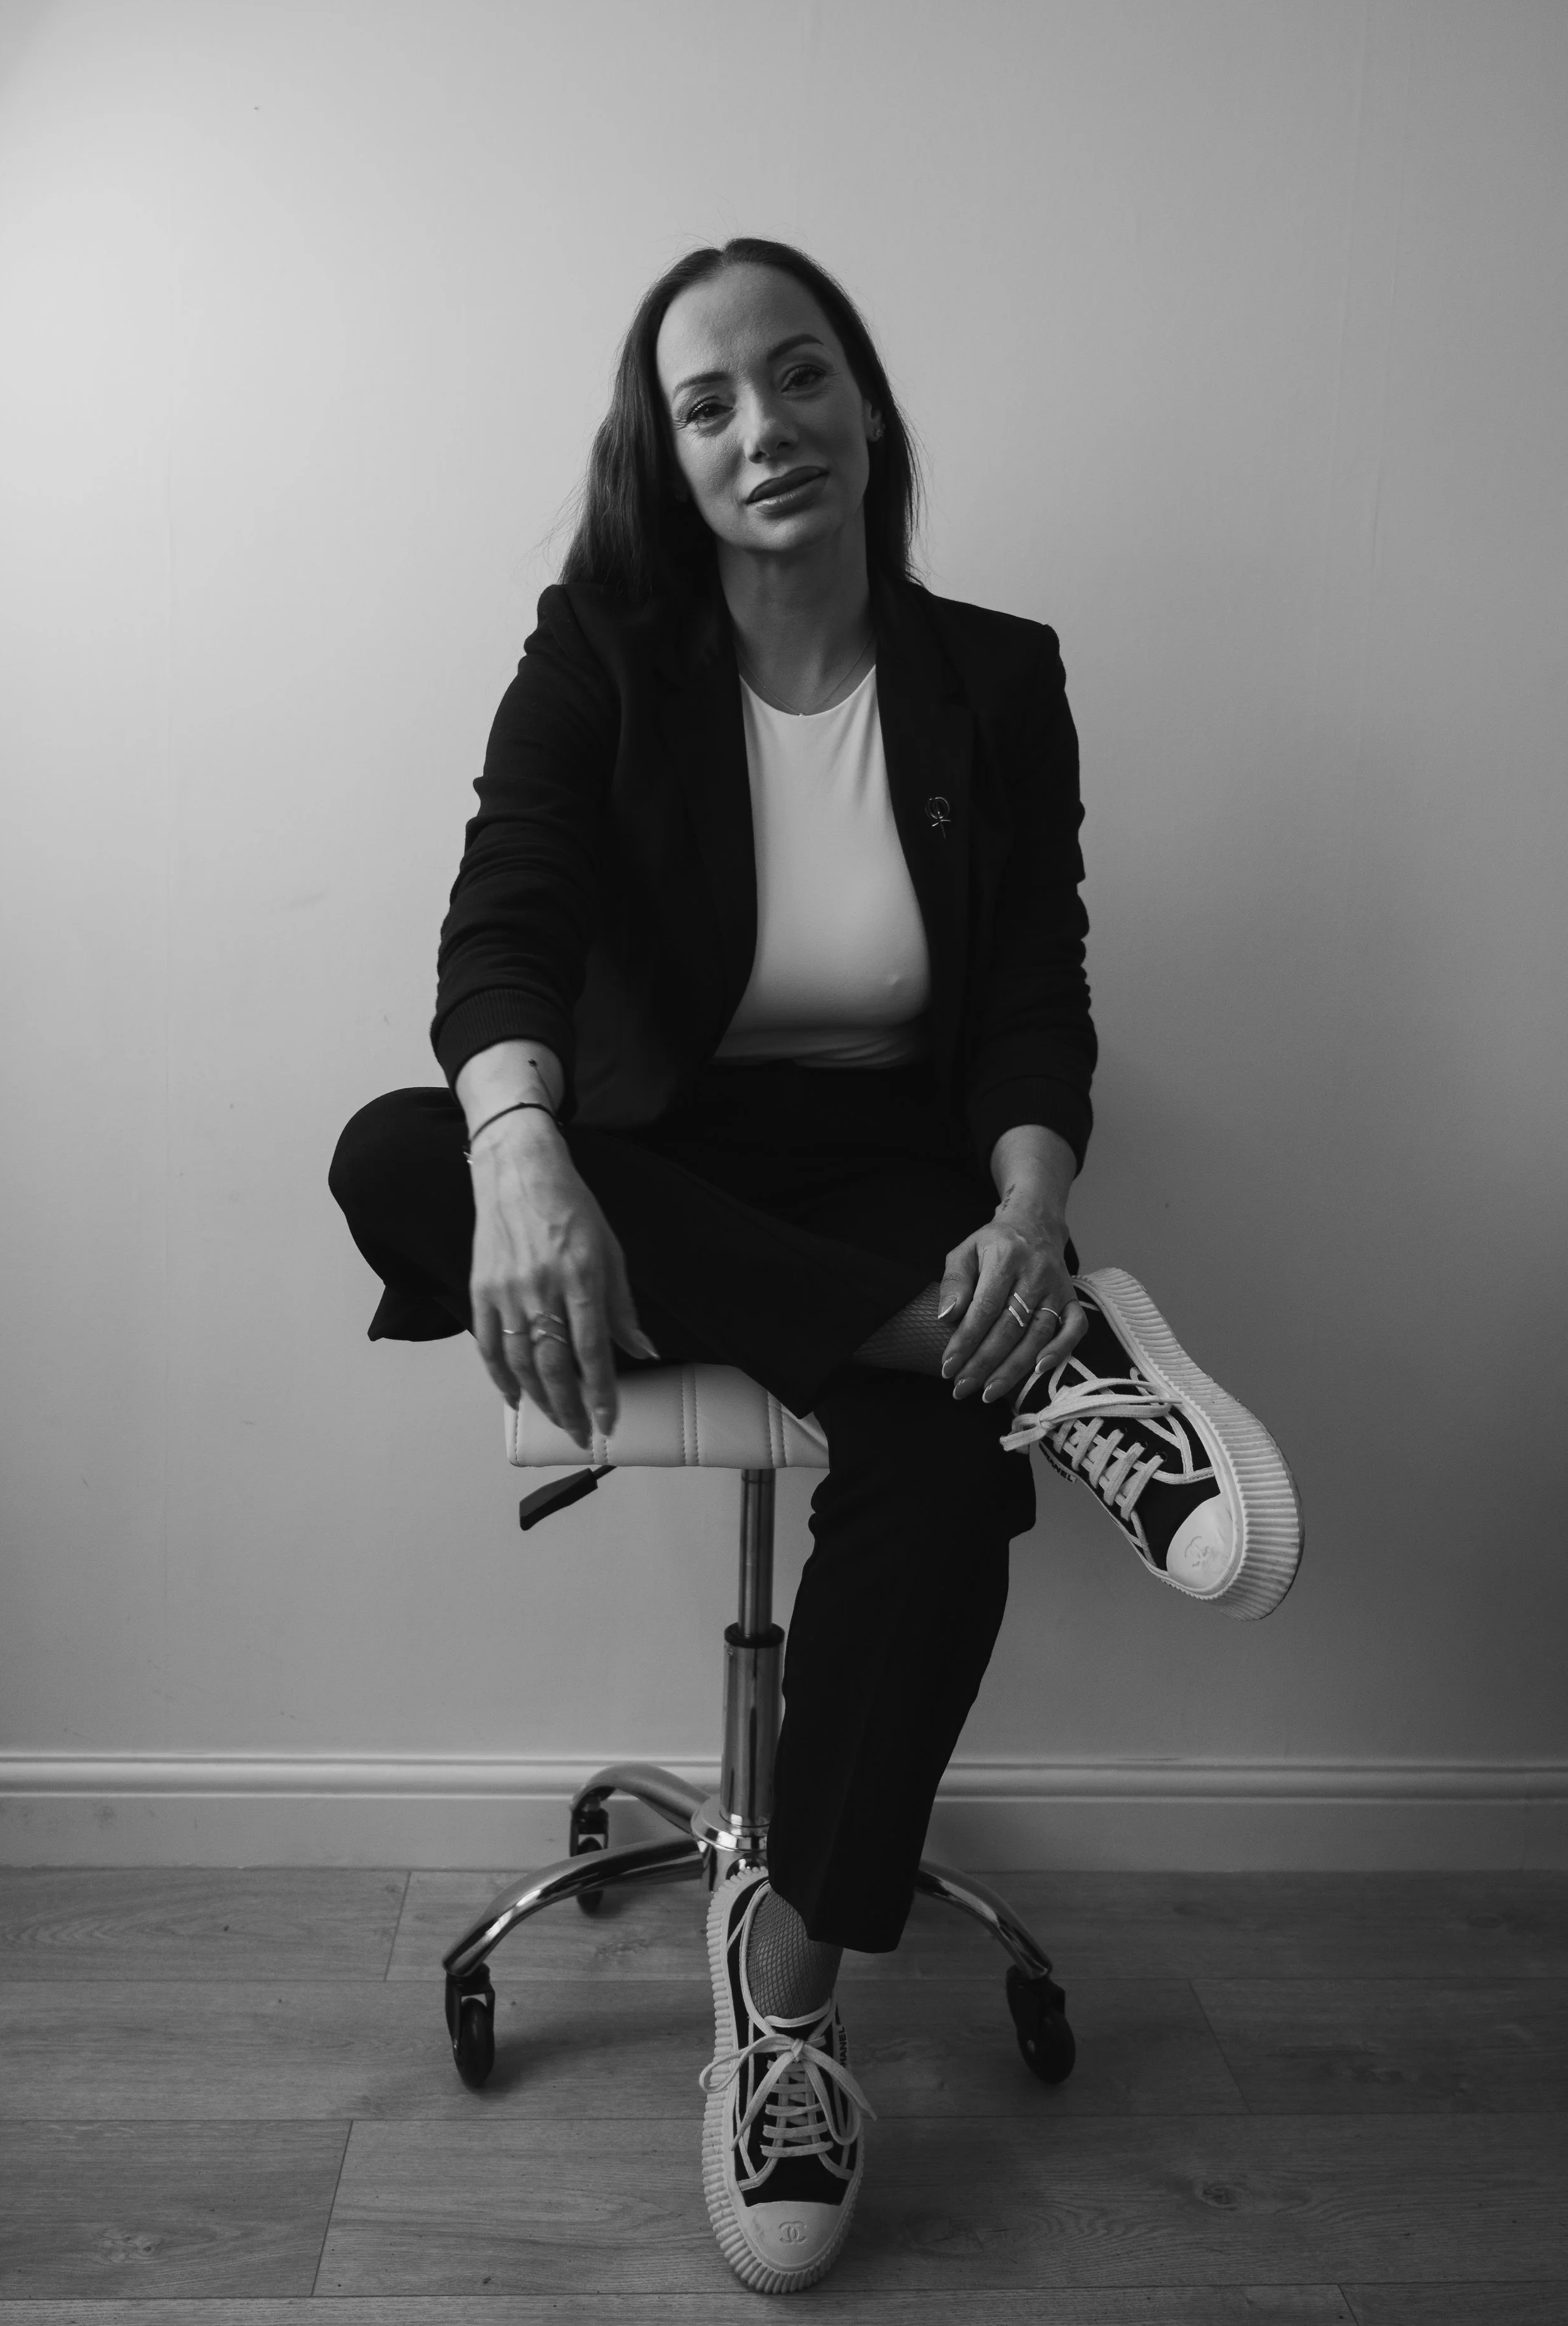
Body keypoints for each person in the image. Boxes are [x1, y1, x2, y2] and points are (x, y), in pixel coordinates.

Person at [329, 237, 1300, 2295]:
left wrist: (1027, 1218)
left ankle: (783, 1985)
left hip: (892, 1178)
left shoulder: (993, 675)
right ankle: (1035, 1368)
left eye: (798, 378)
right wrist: (522, 1152)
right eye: (706, 403)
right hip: (658, 1174)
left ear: (867, 407)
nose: (761, 427)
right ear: (662, 455)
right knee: (402, 1155)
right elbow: (499, 922)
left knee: (941, 1489)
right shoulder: (598, 655)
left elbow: (1037, 996)